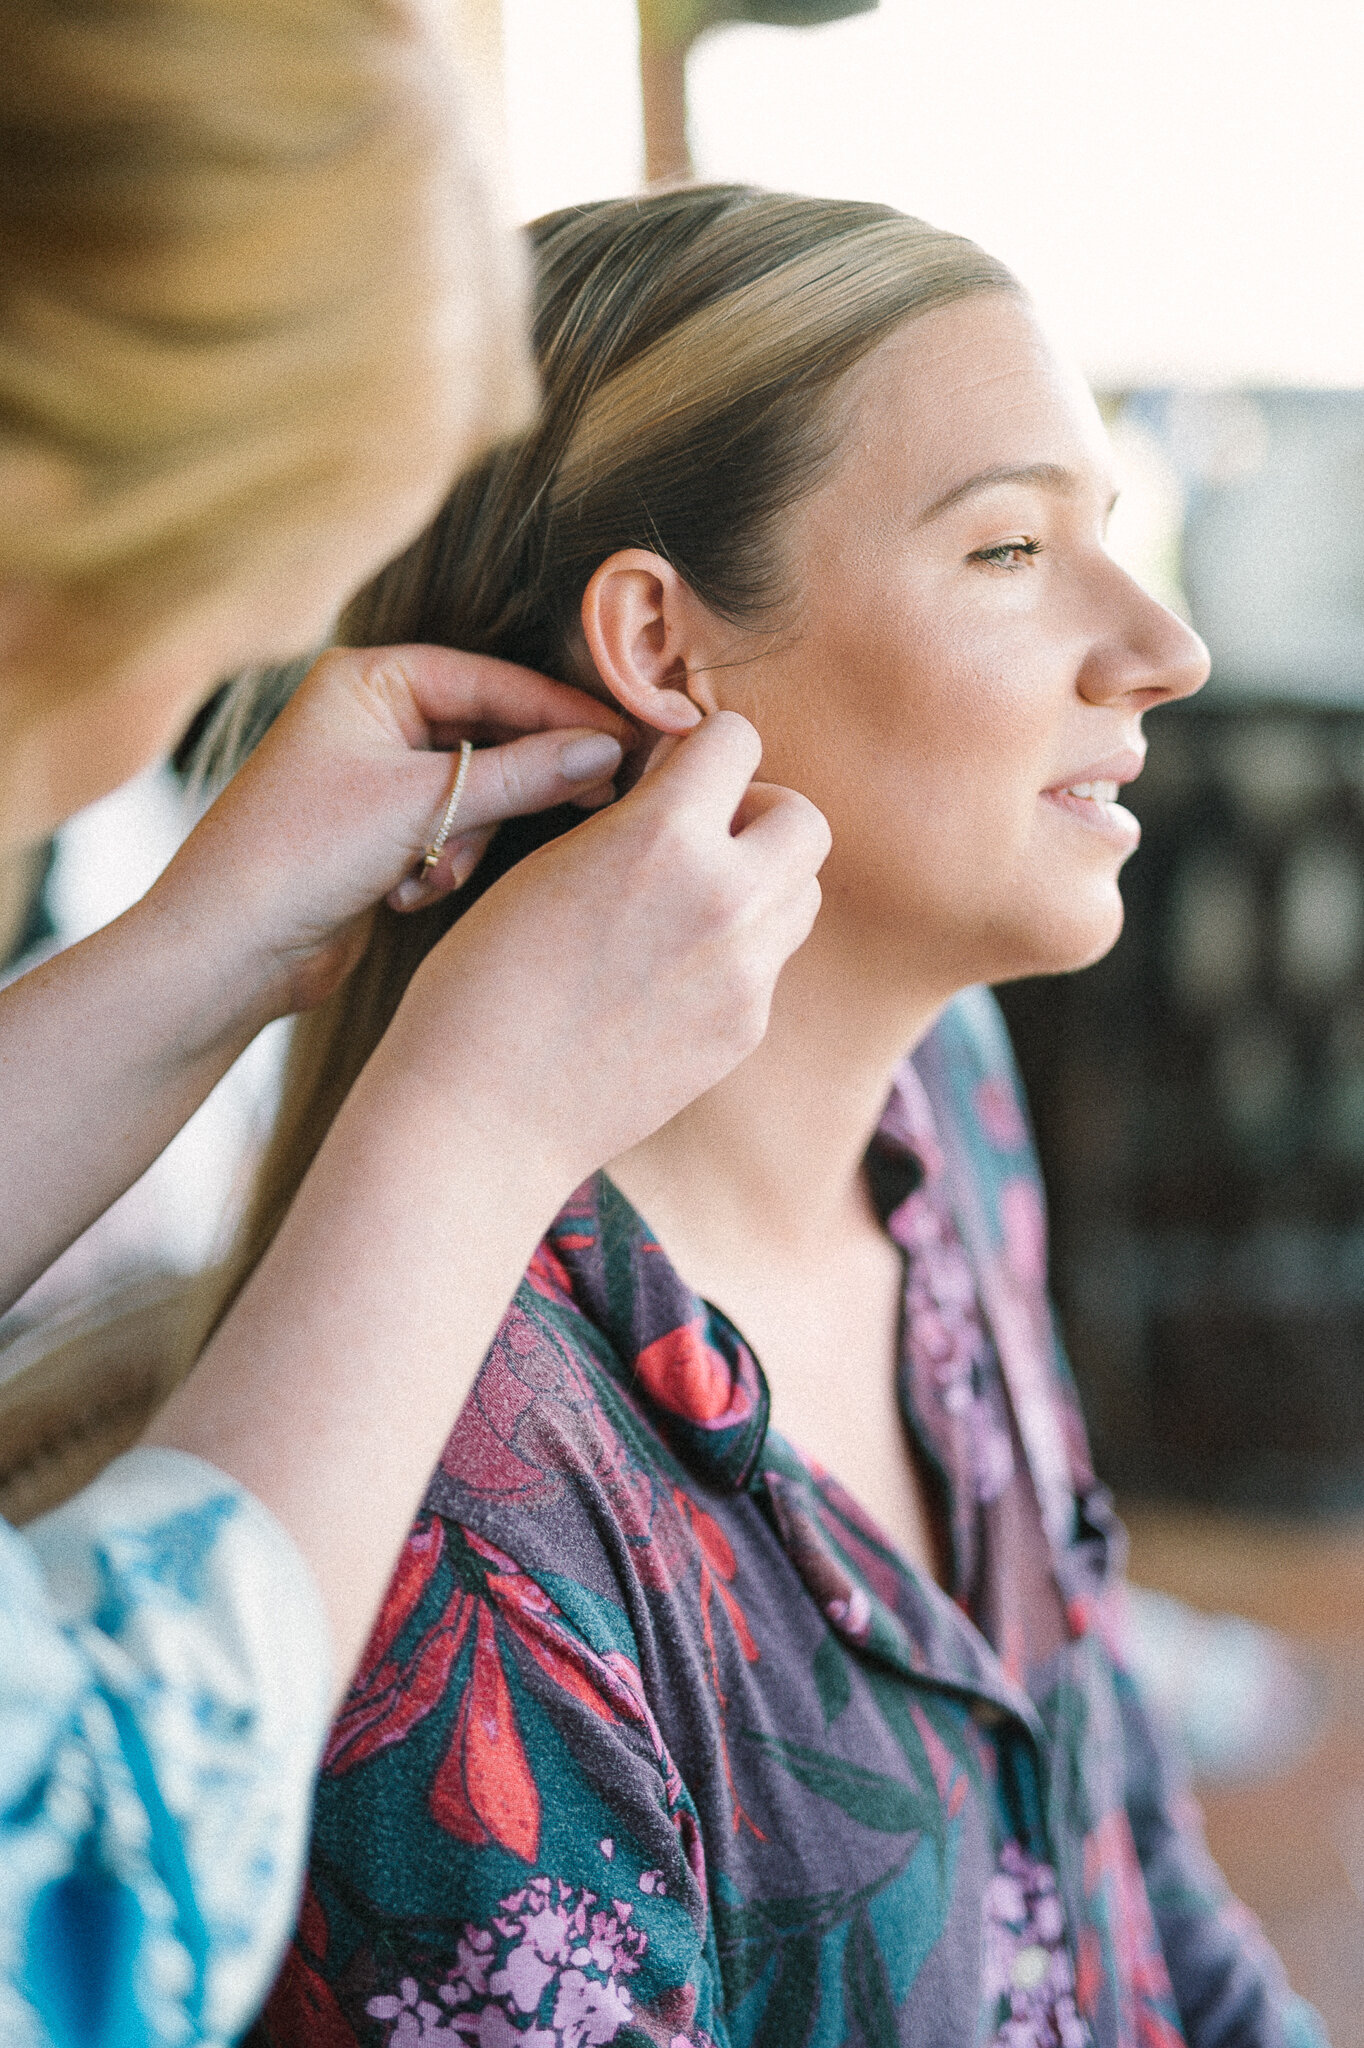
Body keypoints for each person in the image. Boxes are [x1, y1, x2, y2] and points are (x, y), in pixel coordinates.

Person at [231, 188, 1325, 2048]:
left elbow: (1133, 1876)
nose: (1162, 647)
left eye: (1107, 537)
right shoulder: (470, 1508)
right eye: (1007, 551)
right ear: (664, 648)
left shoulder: (941, 1103)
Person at [0, 10, 828, 2045]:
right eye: (206, 618)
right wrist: (464, 1129)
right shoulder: (501, 1497)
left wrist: (204, 948)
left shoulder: (943, 1164)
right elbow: (85, 1885)